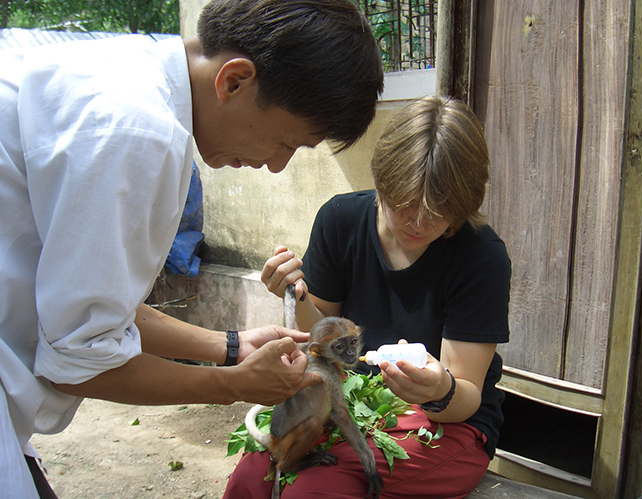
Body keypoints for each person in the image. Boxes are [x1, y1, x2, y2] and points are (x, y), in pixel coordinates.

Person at [0, 1, 383, 497]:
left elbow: (89, 303)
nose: (276, 166)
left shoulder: (127, 69)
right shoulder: (138, 132)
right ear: (235, 81)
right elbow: (78, 363)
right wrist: (235, 384)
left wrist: (228, 346)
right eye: (289, 142)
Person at [226, 95, 511, 499]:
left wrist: (437, 389)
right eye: (404, 205)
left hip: (444, 424)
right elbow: (321, 337)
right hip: (353, 398)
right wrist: (297, 294)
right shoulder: (341, 221)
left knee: (312, 490)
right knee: (252, 474)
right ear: (383, 182)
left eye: (438, 212)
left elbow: (464, 396)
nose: (418, 222)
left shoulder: (480, 256)